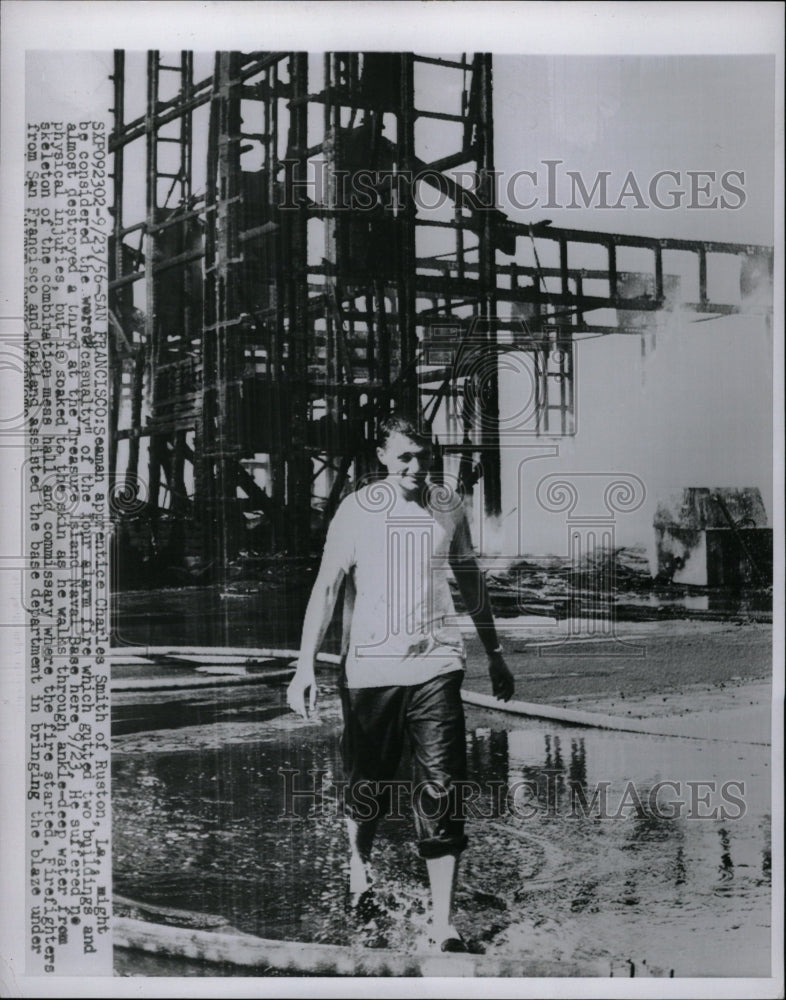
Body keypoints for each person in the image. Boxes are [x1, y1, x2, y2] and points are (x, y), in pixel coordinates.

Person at [287, 412, 515, 953]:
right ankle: (360, 865)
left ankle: (443, 923)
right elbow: (327, 587)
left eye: (424, 455)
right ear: (383, 458)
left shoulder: (447, 507)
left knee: (442, 787)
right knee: (368, 785)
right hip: (370, 670)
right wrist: (303, 666)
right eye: (405, 456)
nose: (416, 466)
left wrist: (496, 653)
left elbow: (470, 579)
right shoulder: (356, 512)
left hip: (437, 664)